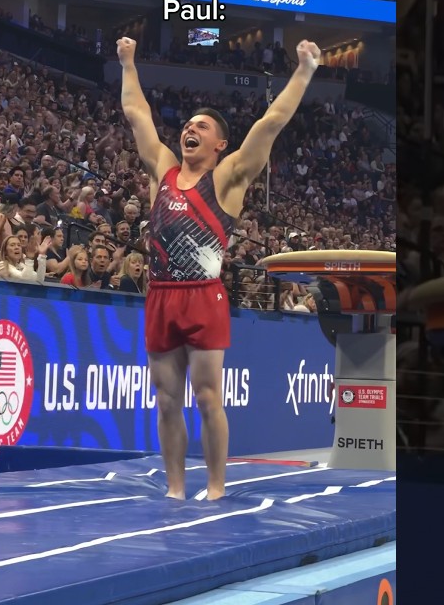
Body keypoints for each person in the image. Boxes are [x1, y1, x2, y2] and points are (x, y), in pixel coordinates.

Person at [117, 35, 321, 501]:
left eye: (202, 126)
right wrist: (129, 61)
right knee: (167, 400)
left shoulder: (227, 178)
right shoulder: (162, 170)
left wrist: (304, 69)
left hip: (203, 296)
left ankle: (215, 487)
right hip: (162, 294)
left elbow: (270, 124)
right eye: (188, 123)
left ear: (220, 143)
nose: (190, 128)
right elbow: (136, 114)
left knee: (208, 397)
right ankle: (174, 489)